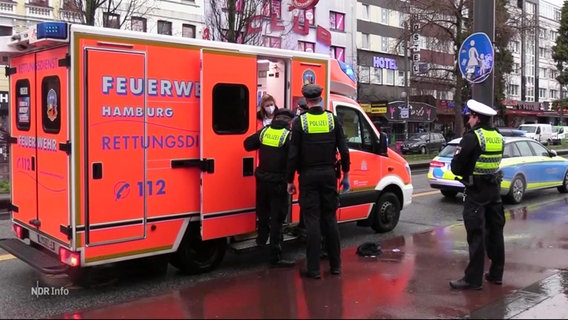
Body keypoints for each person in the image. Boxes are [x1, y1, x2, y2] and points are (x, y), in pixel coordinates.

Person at [286, 84, 350, 279]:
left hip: (308, 176)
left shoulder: (300, 123)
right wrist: (345, 175)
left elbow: (293, 155)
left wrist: (290, 180)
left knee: (312, 220)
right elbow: (344, 151)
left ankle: (313, 269)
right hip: (329, 175)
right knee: (330, 219)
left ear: (306, 100)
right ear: (321, 99)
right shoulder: (332, 119)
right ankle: (336, 265)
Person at [449, 99, 505, 290]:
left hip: (476, 193)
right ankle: (496, 274)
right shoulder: (498, 136)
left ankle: (473, 280)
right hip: (494, 192)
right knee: (496, 233)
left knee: (476, 235)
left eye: (470, 117)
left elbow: (456, 166)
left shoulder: (472, 137)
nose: (468, 120)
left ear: (476, 117)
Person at [244, 108, 296, 268]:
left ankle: (260, 244)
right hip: (278, 183)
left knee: (263, 214)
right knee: (277, 219)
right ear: (289, 121)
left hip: (262, 181)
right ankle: (275, 255)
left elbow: (247, 144)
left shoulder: (264, 132)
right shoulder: (288, 135)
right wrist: (290, 180)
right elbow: (292, 160)